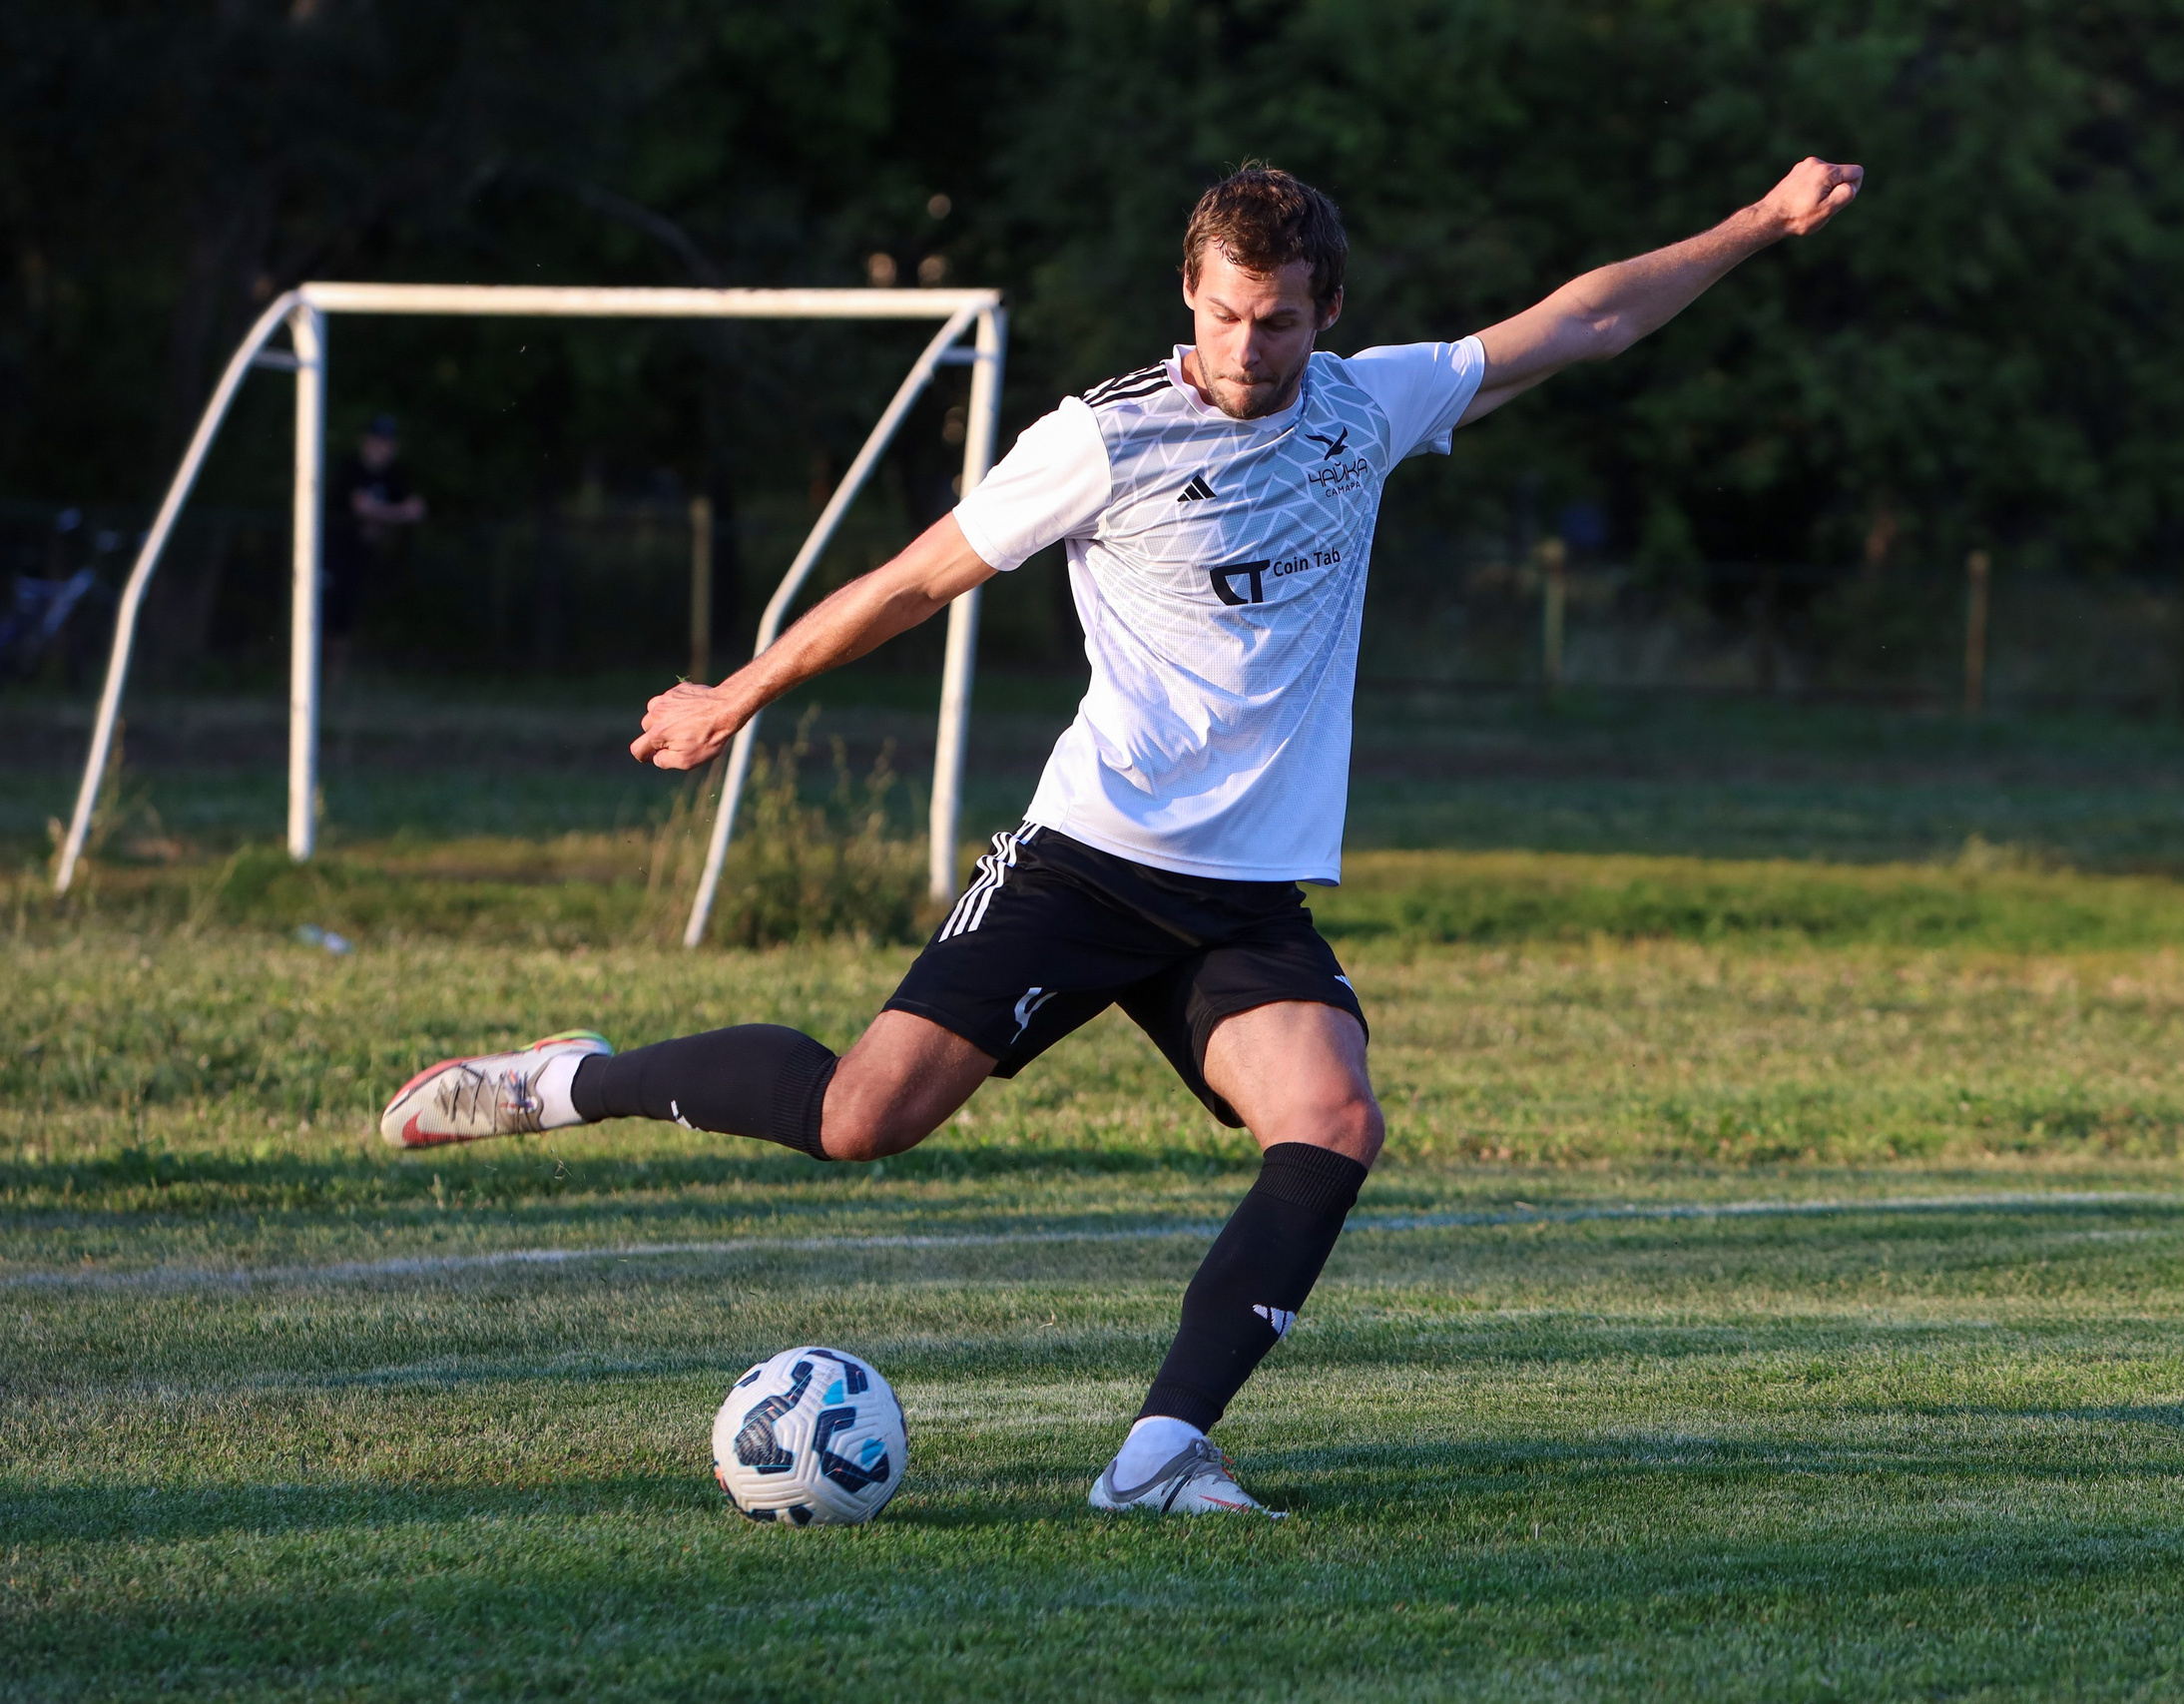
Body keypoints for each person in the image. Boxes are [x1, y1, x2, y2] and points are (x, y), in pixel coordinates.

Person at [379, 158, 1863, 1515]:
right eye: (1224, 315)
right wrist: (741, 692)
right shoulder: (1102, 437)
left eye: (1277, 322)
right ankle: (573, 1078)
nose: (1246, 350)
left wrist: (1757, 224)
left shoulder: (1369, 404)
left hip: (1241, 895)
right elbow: (913, 579)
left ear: (1324, 310)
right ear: (1189, 295)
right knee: (859, 1119)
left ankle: (1161, 1452)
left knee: (1335, 1119)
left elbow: (1584, 322)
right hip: (1087, 859)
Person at [324, 413, 426, 676]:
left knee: (350, 618)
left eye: (387, 442)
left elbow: (416, 510)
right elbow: (361, 507)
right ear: (365, 441)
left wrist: (379, 515)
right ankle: (319, 675)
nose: (382, 447)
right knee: (328, 613)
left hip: (367, 559)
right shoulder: (350, 468)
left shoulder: (395, 474)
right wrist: (394, 513)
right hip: (333, 555)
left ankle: (340, 679)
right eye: (377, 441)